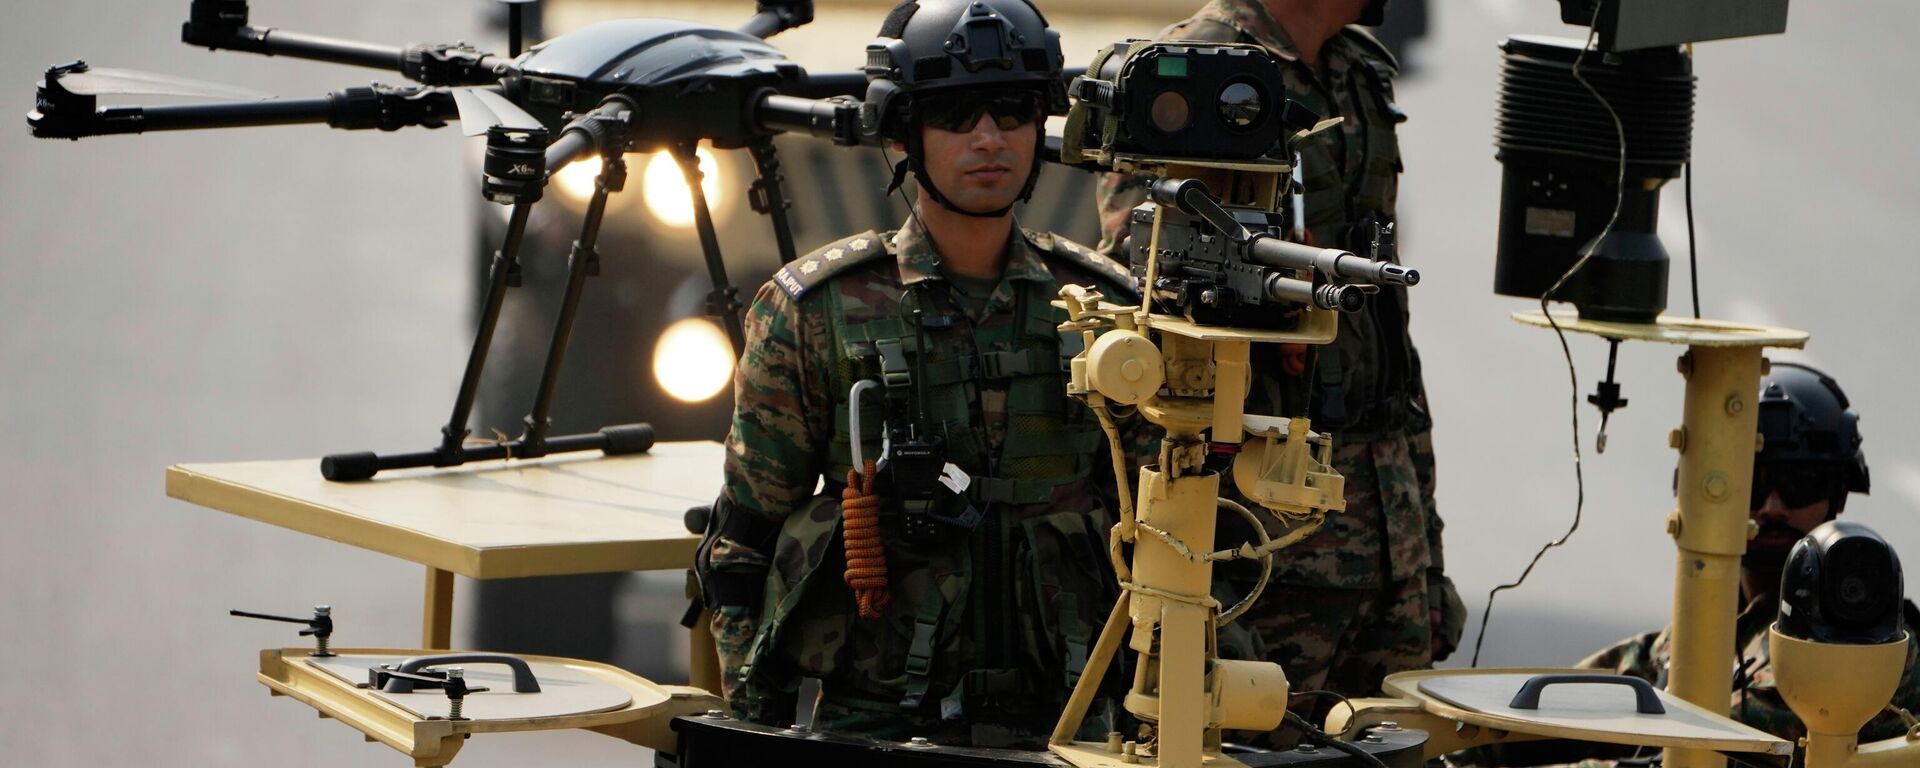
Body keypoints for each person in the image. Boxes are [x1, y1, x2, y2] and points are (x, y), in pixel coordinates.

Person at [693, 0, 1150, 748]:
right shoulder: (814, 311)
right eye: (955, 115)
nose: (988, 139)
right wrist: (756, 723)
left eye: (1010, 111)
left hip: (1071, 718)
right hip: (876, 720)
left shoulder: (1108, 311)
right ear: (903, 133)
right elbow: (744, 539)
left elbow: (1173, 532)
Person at [1093, 0, 1463, 735]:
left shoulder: (1354, 70)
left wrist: (1421, 543)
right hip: (1259, 544)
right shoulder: (1195, 73)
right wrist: (1190, 578)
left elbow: (1382, 330)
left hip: (1379, 530)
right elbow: (1143, 332)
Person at [1457, 363, 1920, 767]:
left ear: (1838, 493)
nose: (1774, 506)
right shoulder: (1706, 630)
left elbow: (1712, 747)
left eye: (1800, 483)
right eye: (1752, 485)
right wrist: (1472, 745)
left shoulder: (1860, 636)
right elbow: (1563, 707)